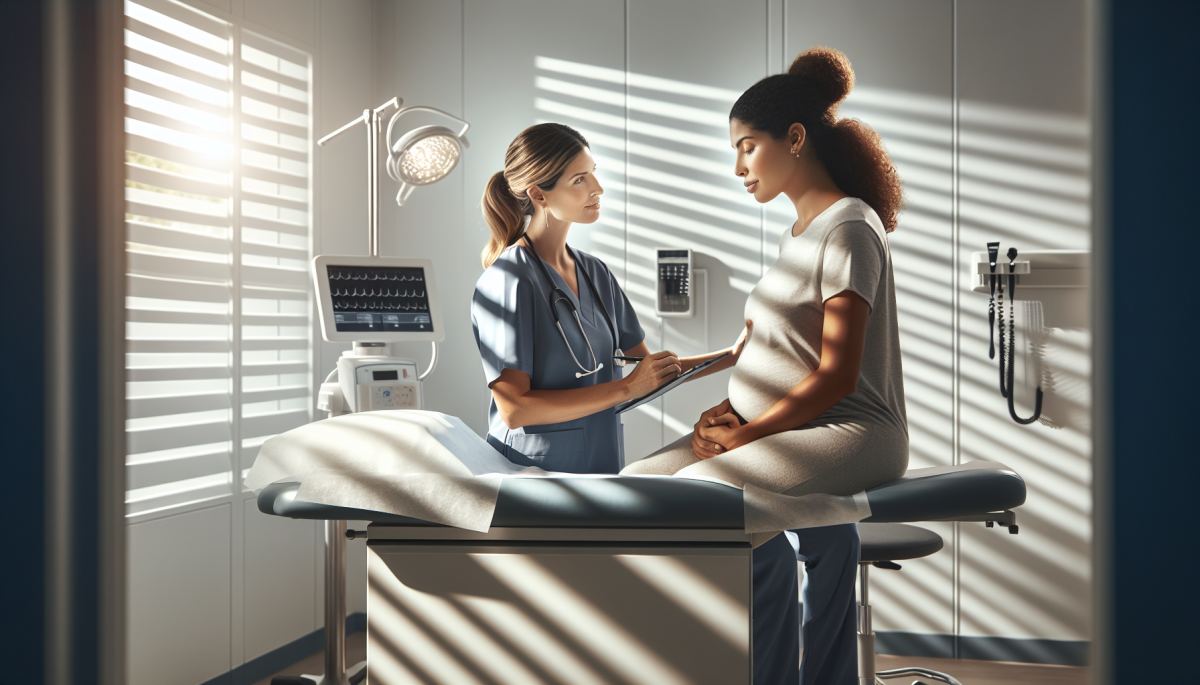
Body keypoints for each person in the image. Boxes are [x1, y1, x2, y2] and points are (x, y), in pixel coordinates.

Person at [621, 46, 909, 684]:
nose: (738, 167)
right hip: (784, 426)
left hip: (852, 431)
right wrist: (725, 413)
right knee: (634, 486)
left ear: (796, 139)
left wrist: (749, 433)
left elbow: (836, 374)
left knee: (699, 503)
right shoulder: (796, 234)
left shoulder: (850, 227)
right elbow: (782, 351)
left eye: (748, 147)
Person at [471, 122, 739, 473]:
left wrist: (734, 355)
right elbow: (515, 410)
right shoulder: (509, 280)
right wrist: (625, 388)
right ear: (539, 195)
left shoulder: (594, 273)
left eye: (593, 173)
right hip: (530, 473)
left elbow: (651, 373)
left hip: (600, 464)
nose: (597, 188)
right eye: (579, 180)